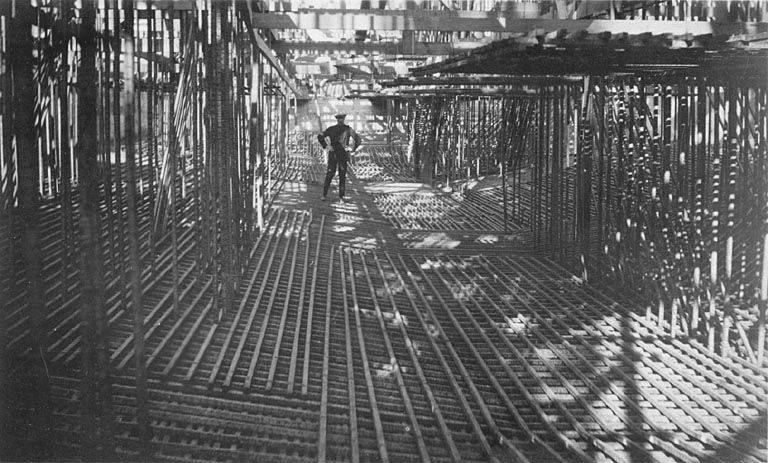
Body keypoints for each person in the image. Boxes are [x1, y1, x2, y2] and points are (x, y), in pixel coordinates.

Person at [317, 113, 361, 202]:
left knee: (337, 175)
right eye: (340, 119)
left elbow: (358, 139)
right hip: (338, 154)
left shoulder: (340, 129)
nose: (340, 120)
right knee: (335, 175)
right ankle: (329, 196)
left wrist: (352, 149)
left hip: (338, 154)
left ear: (341, 119)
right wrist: (326, 146)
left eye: (341, 119)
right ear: (339, 120)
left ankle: (333, 196)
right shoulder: (345, 129)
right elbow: (320, 136)